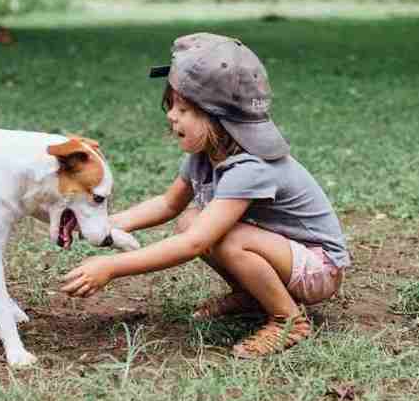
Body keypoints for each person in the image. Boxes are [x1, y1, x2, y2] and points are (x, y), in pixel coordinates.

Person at [60, 32, 349, 357]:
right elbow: (168, 204)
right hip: (285, 253)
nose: (171, 116)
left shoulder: (249, 168)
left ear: (219, 121)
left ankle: (288, 320)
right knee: (190, 220)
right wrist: (105, 224)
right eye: (171, 105)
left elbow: (194, 245)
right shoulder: (205, 153)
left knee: (224, 237)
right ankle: (250, 295)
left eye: (183, 109)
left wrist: (112, 267)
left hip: (318, 269)